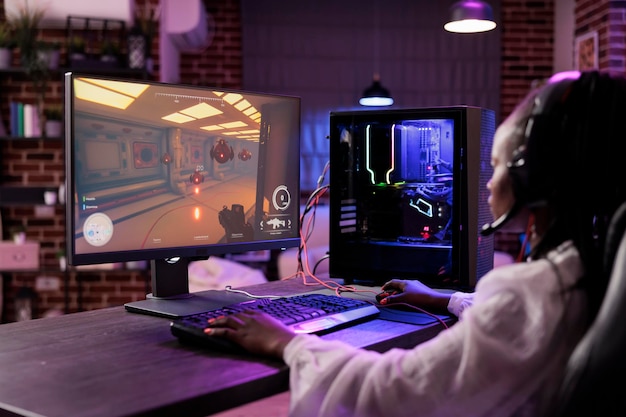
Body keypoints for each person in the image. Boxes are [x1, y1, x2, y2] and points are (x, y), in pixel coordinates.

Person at [204, 70, 626, 417]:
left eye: (494, 166)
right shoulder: (590, 268)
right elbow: (513, 322)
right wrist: (443, 300)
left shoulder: (533, 293)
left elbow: (391, 391)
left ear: (532, 176)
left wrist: (287, 342)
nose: (486, 183)